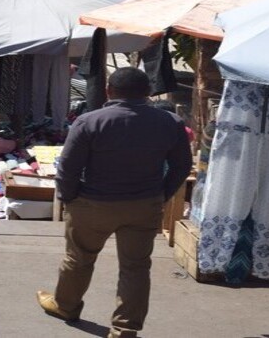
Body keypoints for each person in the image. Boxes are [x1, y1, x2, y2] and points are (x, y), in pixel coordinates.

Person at [37, 68, 193, 338]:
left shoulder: (89, 121)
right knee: (136, 268)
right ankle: (125, 329)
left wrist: (69, 198)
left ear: (109, 91)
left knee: (79, 258)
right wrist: (161, 195)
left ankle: (65, 306)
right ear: (148, 93)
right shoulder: (170, 122)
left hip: (92, 204)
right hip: (143, 205)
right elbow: (181, 166)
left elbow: (68, 168)